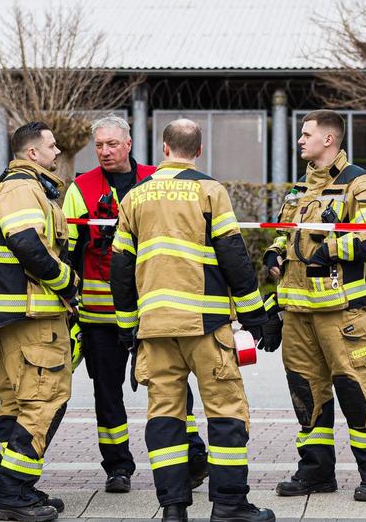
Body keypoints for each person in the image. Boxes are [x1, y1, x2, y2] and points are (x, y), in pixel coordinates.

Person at [110, 118, 282, 522]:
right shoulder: (210, 191)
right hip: (205, 326)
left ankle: (173, 509)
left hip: (153, 328)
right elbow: (234, 257)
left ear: (164, 149)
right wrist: (256, 317)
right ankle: (229, 505)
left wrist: (125, 326)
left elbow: (120, 268)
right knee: (226, 414)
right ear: (198, 152)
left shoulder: (135, 197)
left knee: (165, 417)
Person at [63, 115, 210, 494]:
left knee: (173, 386)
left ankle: (193, 458)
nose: (105, 152)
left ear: (128, 144)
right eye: (99, 145)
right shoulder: (80, 189)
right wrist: (68, 299)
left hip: (152, 308)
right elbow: (70, 251)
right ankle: (117, 467)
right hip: (99, 314)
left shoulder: (155, 179)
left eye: (112, 144)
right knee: (106, 393)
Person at [263, 110, 366, 502]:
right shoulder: (300, 188)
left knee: (354, 391)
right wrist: (273, 253)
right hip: (297, 314)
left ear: (329, 140)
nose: (300, 140)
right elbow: (287, 236)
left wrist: (330, 249)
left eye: (307, 135)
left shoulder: (358, 183)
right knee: (307, 395)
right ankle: (316, 473)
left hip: (340, 313)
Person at [0, 122, 78, 522]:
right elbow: (26, 242)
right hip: (32, 316)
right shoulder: (23, 188)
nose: (57, 150)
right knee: (43, 401)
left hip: (24, 315)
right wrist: (65, 280)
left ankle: (19, 487)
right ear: (32, 153)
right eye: (51, 145)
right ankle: (13, 495)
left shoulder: (23, 186)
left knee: (22, 401)